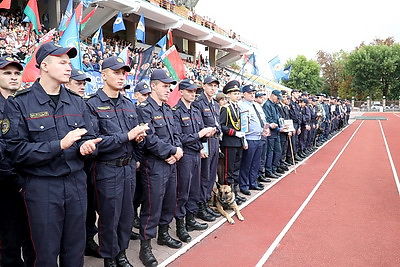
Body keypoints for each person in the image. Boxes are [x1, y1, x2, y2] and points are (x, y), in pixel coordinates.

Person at [1, 42, 101, 267]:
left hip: (76, 184)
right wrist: (59, 145)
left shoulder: (77, 102)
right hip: (42, 186)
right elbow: (15, 151)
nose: (68, 67)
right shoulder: (20, 103)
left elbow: (88, 137)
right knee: (43, 254)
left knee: (75, 252)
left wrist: (87, 147)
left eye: (69, 62)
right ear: (44, 65)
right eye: (62, 62)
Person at [86, 56, 149, 267]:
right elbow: (95, 144)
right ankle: (110, 258)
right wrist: (128, 137)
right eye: (116, 72)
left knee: (126, 215)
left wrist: (138, 140)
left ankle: (121, 254)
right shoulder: (92, 104)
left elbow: (135, 140)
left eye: (124, 73)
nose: (121, 76)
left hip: (128, 168)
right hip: (107, 169)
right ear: (103, 75)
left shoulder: (128, 104)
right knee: (109, 217)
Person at [136, 69, 183, 267]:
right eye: (164, 86)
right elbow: (149, 140)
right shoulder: (145, 109)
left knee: (169, 201)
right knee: (151, 206)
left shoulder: (167, 109)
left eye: (169, 86)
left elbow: (176, 133)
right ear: (153, 86)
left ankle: (163, 234)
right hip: (154, 165)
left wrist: (177, 151)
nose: (168, 89)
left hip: (170, 163)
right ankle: (145, 247)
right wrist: (172, 150)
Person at [0, 56, 34, 267]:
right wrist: (17, 180)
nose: (13, 77)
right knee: (9, 239)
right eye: (7, 73)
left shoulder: (21, 103)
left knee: (30, 235)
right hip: (6, 183)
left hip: (26, 180)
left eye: (16, 73)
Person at [172, 78, 214, 243]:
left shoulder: (195, 111)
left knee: (194, 189)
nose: (192, 94)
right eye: (189, 91)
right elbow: (180, 138)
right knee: (183, 191)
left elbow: (199, 132)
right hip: (185, 156)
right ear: (181, 92)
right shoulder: (176, 111)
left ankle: (190, 220)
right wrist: (200, 135)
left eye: (194, 91)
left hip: (196, 153)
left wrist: (204, 140)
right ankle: (180, 225)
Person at [192, 75, 221, 222]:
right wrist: (201, 146)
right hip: (205, 142)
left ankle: (207, 202)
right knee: (204, 175)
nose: (213, 88)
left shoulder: (215, 104)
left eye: (215, 86)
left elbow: (217, 124)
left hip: (215, 142)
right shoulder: (199, 103)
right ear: (204, 86)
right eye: (210, 85)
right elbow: (198, 125)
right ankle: (200, 206)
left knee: (211, 175)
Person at [219, 80, 247, 205]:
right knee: (229, 171)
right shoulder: (226, 108)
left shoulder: (238, 107)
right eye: (234, 93)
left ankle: (234, 193)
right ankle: (226, 195)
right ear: (228, 95)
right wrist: (234, 133)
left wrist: (242, 138)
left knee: (236, 169)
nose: (237, 95)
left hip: (238, 142)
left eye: (238, 93)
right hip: (230, 142)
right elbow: (221, 126)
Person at [238, 85, 267, 195]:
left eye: (253, 92)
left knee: (255, 163)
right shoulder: (242, 106)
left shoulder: (257, 106)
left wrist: (266, 128)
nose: (252, 94)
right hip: (249, 138)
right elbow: (243, 125)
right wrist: (244, 140)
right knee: (246, 163)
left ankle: (252, 182)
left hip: (259, 137)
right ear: (244, 94)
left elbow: (263, 119)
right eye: (249, 93)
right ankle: (244, 185)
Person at [263, 90, 285, 178]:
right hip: (271, 133)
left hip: (277, 132)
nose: (278, 100)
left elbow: (278, 118)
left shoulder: (275, 105)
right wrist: (278, 128)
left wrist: (282, 126)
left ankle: (273, 169)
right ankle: (269, 170)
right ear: (272, 95)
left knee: (278, 151)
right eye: (277, 98)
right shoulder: (267, 105)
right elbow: (268, 119)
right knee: (270, 152)